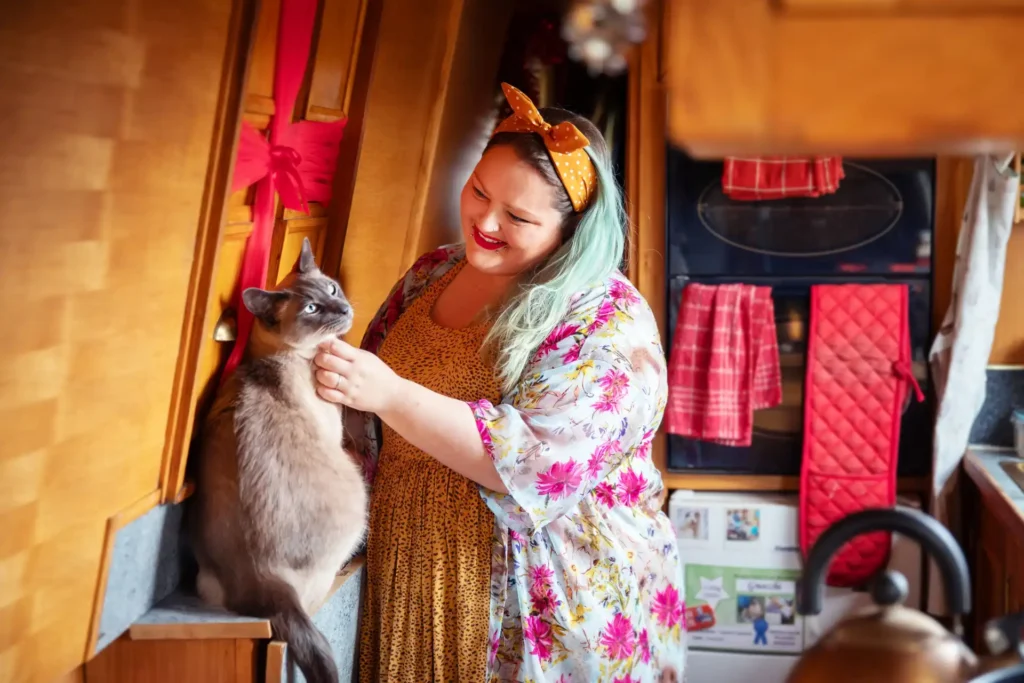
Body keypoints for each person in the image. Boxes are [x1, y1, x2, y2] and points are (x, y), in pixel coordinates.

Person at [313, 83, 685, 682]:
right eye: (479, 191)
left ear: (571, 229)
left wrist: (389, 393)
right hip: (411, 557)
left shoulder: (609, 322)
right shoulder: (435, 270)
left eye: (517, 217)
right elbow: (362, 395)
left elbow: (536, 465)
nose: (484, 221)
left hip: (539, 599)